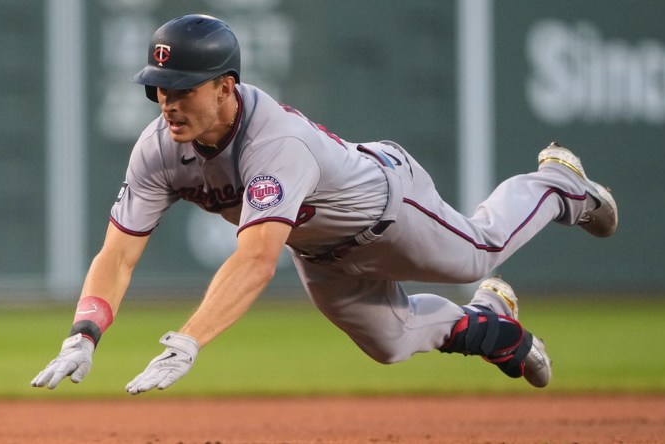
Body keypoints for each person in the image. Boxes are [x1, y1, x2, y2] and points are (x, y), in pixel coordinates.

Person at [31, 14, 617, 394]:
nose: (167, 102)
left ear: (226, 87)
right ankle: (494, 323)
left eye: (183, 87)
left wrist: (189, 339)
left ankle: (557, 184)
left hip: (390, 206)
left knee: (477, 254)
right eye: (160, 87)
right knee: (389, 345)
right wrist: (84, 333)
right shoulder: (158, 150)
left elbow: (257, 259)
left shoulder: (274, 142)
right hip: (320, 253)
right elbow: (119, 255)